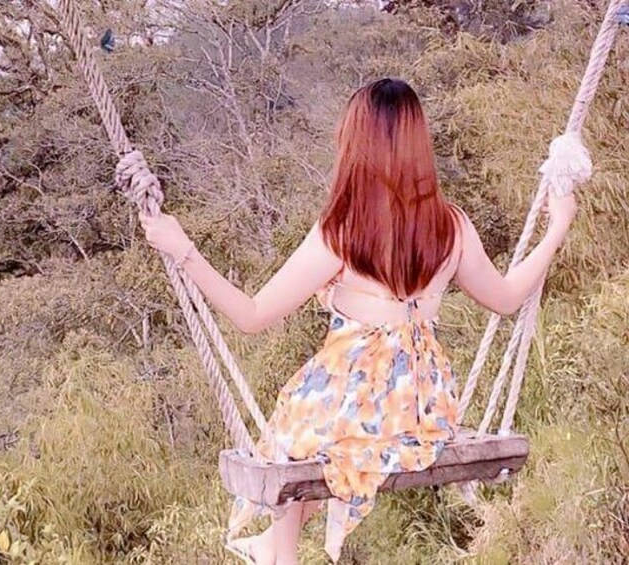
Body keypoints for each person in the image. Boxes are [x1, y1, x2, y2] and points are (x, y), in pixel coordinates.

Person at [138, 78, 577, 565]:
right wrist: (556, 225)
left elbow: (252, 315)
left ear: (357, 145)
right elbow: (509, 297)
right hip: (423, 407)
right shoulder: (451, 226)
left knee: (297, 422)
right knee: (312, 424)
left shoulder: (343, 231)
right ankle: (272, 546)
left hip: (359, 404)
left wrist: (184, 250)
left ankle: (279, 553)